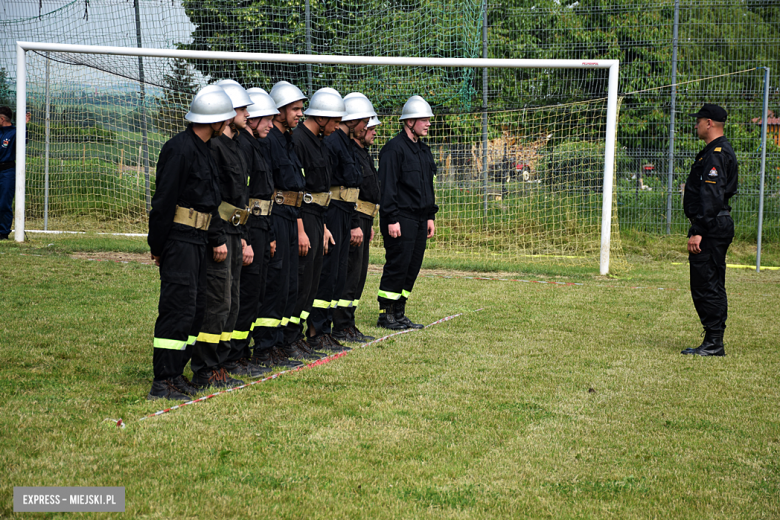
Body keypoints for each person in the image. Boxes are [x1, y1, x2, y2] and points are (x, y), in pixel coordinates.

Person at [147, 85, 235, 400]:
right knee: (177, 309)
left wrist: (213, 238)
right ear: (212, 119)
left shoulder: (206, 151)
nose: (227, 124)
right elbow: (163, 201)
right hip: (179, 240)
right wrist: (158, 246)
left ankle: (177, 373)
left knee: (195, 310)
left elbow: (210, 203)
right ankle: (163, 381)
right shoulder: (179, 149)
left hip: (198, 240)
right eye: (224, 119)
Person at [306, 90, 370, 352]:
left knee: (339, 273)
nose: (367, 126)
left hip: (345, 212)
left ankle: (328, 327)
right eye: (364, 121)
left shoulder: (344, 142)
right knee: (329, 271)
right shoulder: (333, 143)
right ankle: (317, 329)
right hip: (332, 212)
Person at [251, 81, 308, 369]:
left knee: (287, 285)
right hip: (275, 216)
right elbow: (269, 187)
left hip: (288, 216)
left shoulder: (286, 139)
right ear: (279, 110)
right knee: (274, 285)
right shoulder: (270, 140)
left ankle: (279, 344)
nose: (300, 114)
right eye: (295, 109)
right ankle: (264, 347)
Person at [287, 88, 346, 356]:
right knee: (300, 279)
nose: (337, 126)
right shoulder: (298, 141)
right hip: (303, 216)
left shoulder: (320, 141)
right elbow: (296, 190)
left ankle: (307, 335)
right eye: (335, 120)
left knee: (312, 281)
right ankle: (292, 337)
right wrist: (301, 228)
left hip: (317, 217)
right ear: (321, 118)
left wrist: (322, 226)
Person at [376, 95, 438, 330]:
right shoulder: (393, 149)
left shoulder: (424, 151)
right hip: (400, 218)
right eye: (424, 119)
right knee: (398, 265)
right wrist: (391, 219)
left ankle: (399, 311)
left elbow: (428, 187)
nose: (428, 123)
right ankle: (386, 314)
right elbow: (387, 187)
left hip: (421, 219)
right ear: (409, 122)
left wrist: (430, 216)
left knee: (412, 266)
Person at [681, 103, 738, 357]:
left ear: (709, 123)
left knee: (707, 284)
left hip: (712, 227)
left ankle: (714, 342)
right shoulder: (715, 151)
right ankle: (713, 339)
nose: (696, 125)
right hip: (715, 224)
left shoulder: (716, 153)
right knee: (710, 282)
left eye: (699, 120)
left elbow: (712, 196)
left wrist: (698, 230)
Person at [230, 89, 278, 376]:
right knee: (246, 294)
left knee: (256, 292)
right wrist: (245, 238)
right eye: (267, 119)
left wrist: (267, 234)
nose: (270, 124)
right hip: (249, 227)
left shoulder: (256, 144)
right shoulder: (244, 147)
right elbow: (243, 196)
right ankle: (236, 355)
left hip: (262, 226)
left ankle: (243, 351)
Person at [332, 95, 381, 343]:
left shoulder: (362, 152)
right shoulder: (348, 149)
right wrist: (355, 223)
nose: (371, 131)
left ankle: (348, 322)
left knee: (359, 275)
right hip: (354, 217)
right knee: (350, 274)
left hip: (364, 218)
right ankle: (341, 324)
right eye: (367, 126)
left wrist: (368, 222)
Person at [0, 107, 28, 240]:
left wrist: (24, 126)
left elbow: (24, 142)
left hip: (7, 171)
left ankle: (3, 232)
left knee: (4, 202)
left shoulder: (15, 132)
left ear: (2, 119)